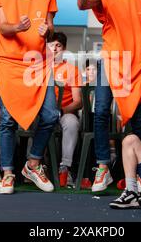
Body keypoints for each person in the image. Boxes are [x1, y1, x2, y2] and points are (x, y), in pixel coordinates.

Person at [77, 0, 141, 192]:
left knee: (139, 119)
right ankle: (103, 167)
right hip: (111, 60)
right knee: (100, 112)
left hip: (138, 63)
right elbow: (83, 3)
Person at [0, 0, 59, 194]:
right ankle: (8, 173)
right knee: (7, 120)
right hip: (9, 62)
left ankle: (32, 163)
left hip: (38, 63)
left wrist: (47, 29)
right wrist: (17, 27)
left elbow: (51, 27)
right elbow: (1, 26)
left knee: (51, 115)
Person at [48, 32, 83, 187]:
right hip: (43, 113)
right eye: (51, 45)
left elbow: (78, 101)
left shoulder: (72, 70)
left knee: (72, 123)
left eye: (58, 45)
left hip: (64, 113)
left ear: (64, 49)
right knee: (30, 121)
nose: (54, 49)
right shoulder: (38, 68)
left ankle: (65, 169)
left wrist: (61, 111)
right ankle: (34, 166)